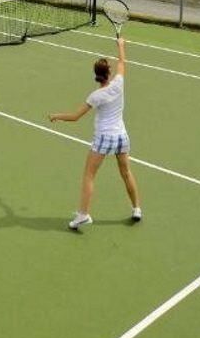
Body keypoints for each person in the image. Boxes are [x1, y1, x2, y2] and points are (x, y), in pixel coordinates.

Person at [48, 37, 142, 229]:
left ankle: (83, 215)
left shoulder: (95, 96)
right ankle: (137, 209)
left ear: (96, 75)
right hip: (121, 137)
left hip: (103, 139)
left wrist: (57, 115)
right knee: (126, 173)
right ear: (109, 73)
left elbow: (75, 117)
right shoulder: (118, 84)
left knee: (89, 175)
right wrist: (121, 46)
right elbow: (122, 63)